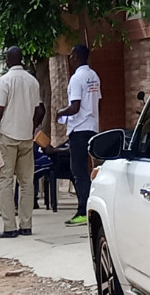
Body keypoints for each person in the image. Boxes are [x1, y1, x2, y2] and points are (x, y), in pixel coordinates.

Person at [0, 46, 45, 238]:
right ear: (22, 60)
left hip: (7, 137)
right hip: (26, 138)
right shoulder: (32, 81)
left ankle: (9, 227)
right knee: (27, 182)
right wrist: (31, 127)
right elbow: (39, 110)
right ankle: (26, 225)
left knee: (5, 181)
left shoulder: (5, 81)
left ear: (9, 61)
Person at [56, 44, 101, 227]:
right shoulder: (94, 76)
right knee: (88, 169)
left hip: (79, 129)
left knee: (79, 171)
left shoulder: (77, 78)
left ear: (76, 57)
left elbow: (74, 107)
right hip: (92, 127)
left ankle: (84, 211)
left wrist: (60, 112)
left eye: (71, 55)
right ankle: (90, 207)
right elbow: (98, 102)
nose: (70, 58)